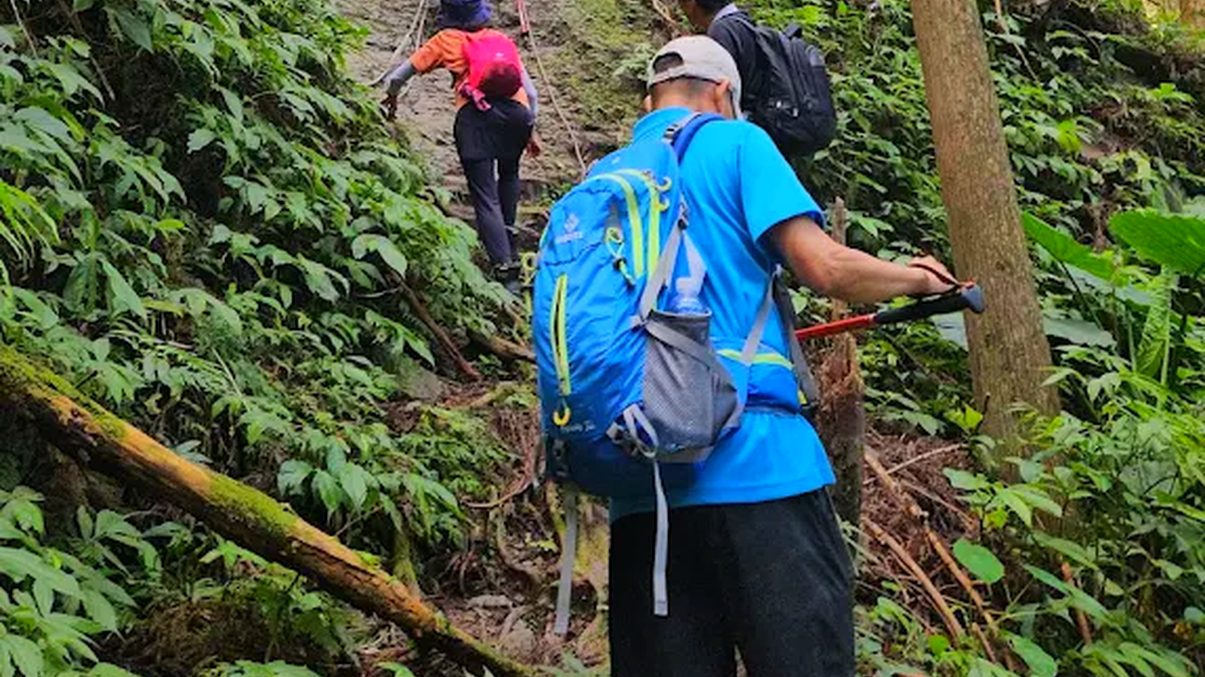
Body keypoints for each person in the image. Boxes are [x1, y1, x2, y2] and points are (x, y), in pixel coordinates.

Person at [609, 36, 956, 676]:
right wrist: (915, 279)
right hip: (757, 466)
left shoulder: (610, 177)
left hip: (642, 491)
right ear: (723, 93)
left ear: (650, 99)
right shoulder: (738, 144)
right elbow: (821, 266)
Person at [379, 0, 540, 293]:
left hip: (476, 117)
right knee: (509, 174)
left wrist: (391, 97)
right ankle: (510, 247)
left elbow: (397, 77)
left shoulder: (445, 40)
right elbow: (531, 92)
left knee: (484, 195)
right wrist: (531, 128)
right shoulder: (501, 40)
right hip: (518, 116)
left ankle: (504, 269)